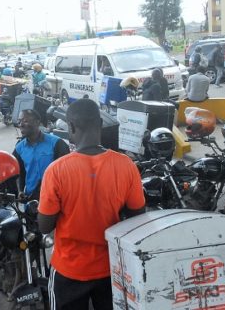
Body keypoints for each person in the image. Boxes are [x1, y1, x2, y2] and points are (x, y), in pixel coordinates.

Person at [38, 99, 145, 310]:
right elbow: (137, 219)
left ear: (70, 127)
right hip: (111, 268)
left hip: (69, 270)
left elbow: (44, 226)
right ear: (100, 124)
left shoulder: (56, 170)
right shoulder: (126, 165)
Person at [13, 109, 69, 200]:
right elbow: (19, 172)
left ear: (37, 122)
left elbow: (66, 175)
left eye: (25, 121)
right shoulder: (19, 148)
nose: (21, 125)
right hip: (31, 200)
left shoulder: (56, 144)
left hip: (54, 198)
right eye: (19, 122)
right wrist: (20, 191)